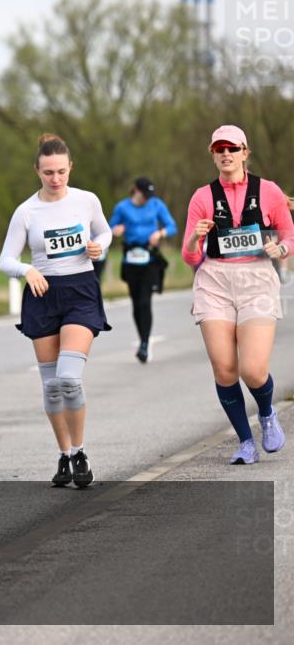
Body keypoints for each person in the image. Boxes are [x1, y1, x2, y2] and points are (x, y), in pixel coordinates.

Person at [0, 133, 112, 488]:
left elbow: (105, 233)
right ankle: (64, 456)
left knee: (68, 379)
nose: (56, 178)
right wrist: (27, 270)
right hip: (42, 293)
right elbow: (5, 259)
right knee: (50, 387)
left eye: (61, 171)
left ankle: (80, 451)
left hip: (80, 290)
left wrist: (98, 248)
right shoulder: (26, 212)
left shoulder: (86, 200)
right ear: (37, 171)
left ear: (70, 168)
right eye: (48, 172)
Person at [182, 124, 291, 465]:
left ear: (245, 152)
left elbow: (289, 234)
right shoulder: (202, 197)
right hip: (214, 280)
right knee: (225, 370)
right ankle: (246, 442)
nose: (225, 154)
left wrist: (282, 248)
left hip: (256, 279)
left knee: (253, 370)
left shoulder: (268, 191)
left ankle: (267, 413)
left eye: (232, 148)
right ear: (213, 155)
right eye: (219, 149)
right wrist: (194, 238)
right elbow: (189, 256)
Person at [109, 176, 177, 363]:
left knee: (145, 301)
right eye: (144, 194)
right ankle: (142, 339)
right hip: (131, 258)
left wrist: (160, 233)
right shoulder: (122, 207)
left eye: (149, 194)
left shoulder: (156, 205)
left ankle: (145, 344)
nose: (147, 198)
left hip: (149, 258)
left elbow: (172, 226)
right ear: (136, 191)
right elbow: (109, 228)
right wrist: (117, 230)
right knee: (136, 303)